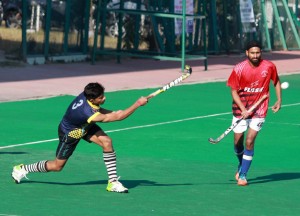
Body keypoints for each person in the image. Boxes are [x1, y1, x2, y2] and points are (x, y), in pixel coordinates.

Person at [12, 82, 148, 193]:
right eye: (101, 98)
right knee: (57, 166)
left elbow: (100, 110)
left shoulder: (86, 94)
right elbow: (118, 117)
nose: (104, 98)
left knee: (107, 142)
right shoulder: (87, 112)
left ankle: (112, 182)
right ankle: (22, 169)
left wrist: (112, 112)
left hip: (84, 125)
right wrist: (137, 104)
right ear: (91, 99)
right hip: (70, 133)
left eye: (103, 95)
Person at [227, 40, 282, 186]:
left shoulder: (269, 66)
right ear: (247, 53)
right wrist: (243, 109)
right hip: (240, 108)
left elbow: (276, 81)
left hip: (260, 108)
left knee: (249, 141)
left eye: (258, 52)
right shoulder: (239, 69)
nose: (255, 55)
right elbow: (233, 91)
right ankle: (241, 164)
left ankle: (243, 175)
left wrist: (279, 100)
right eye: (252, 53)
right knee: (238, 143)